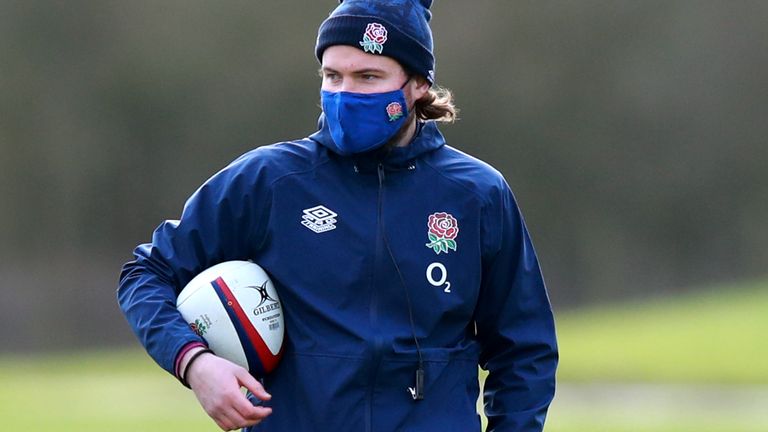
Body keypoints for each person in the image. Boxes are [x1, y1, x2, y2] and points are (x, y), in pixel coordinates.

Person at [117, 1, 558, 431]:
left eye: (368, 77)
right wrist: (195, 363)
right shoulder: (270, 180)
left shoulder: (477, 193)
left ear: (418, 84)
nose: (346, 94)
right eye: (333, 76)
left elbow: (525, 352)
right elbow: (147, 272)